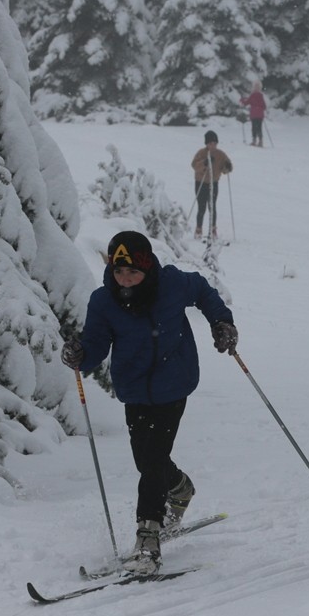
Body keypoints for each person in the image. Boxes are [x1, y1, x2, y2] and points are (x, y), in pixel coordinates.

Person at [61, 231, 239, 574]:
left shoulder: (171, 284)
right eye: (119, 271)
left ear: (146, 267)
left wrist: (221, 321)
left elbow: (202, 290)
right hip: (134, 389)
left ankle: (148, 538)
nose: (125, 279)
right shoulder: (104, 301)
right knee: (145, 459)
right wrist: (81, 354)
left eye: (132, 272)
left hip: (174, 383)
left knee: (153, 459)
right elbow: (95, 344)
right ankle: (180, 488)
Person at [191, 131, 233, 240]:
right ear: (206, 144)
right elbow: (194, 165)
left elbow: (225, 168)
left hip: (213, 183)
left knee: (212, 206)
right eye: (210, 144)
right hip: (201, 182)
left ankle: (213, 229)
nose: (213, 146)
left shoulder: (220, 154)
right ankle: (199, 229)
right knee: (201, 207)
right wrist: (204, 163)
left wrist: (228, 166)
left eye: (215, 143)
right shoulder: (201, 153)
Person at [239, 81, 267, 147]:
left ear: (253, 88)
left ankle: (254, 141)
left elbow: (246, 103)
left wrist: (242, 100)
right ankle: (260, 141)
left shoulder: (252, 95)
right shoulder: (261, 96)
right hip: (260, 115)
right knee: (259, 127)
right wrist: (260, 108)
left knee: (254, 127)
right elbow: (264, 106)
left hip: (254, 114)